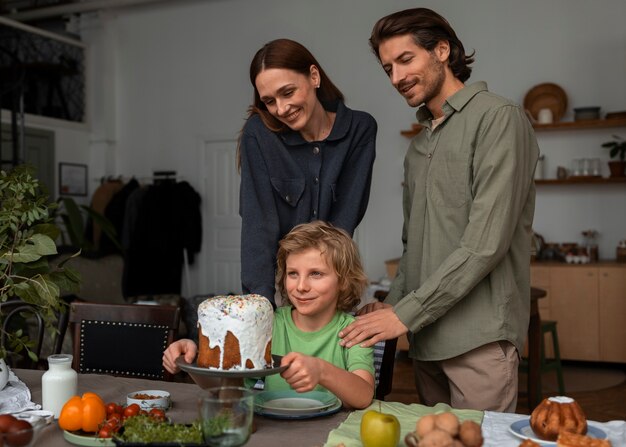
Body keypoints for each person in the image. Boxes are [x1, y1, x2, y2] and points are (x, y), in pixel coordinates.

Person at [338, 8, 539, 412]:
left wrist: (404, 315)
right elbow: (415, 245)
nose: (396, 78)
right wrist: (392, 303)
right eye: (388, 68)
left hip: (478, 340)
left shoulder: (499, 119)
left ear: (442, 50)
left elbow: (485, 244)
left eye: (406, 60)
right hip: (426, 339)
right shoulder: (418, 147)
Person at [163, 221, 375, 409]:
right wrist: (190, 362)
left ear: (344, 280)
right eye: (293, 274)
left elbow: (363, 396)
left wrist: (321, 371)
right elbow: (227, 387)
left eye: (316, 274)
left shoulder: (354, 331)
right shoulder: (268, 325)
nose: (301, 286)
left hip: (331, 434)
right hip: (274, 431)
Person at [237, 38, 377, 305]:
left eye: (288, 92)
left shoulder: (360, 129)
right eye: (269, 101)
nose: (281, 109)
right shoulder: (260, 134)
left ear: (313, 76)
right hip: (280, 282)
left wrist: (321, 286)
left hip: (330, 277)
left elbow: (345, 218)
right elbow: (258, 225)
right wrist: (261, 306)